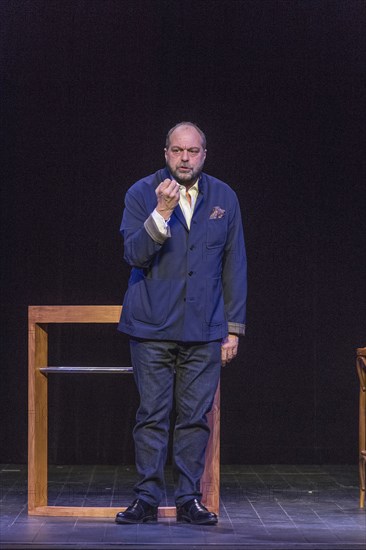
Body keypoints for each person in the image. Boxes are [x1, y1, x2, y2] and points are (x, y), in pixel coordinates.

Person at [115, 122, 247, 525]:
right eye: (177, 151)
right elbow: (134, 254)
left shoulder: (223, 197)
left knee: (194, 417)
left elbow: (234, 264)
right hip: (151, 326)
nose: (184, 158)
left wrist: (233, 327)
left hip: (203, 328)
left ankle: (189, 497)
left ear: (204, 155)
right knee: (153, 415)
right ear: (166, 153)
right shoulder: (141, 193)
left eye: (192, 151)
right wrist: (162, 213)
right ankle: (147, 498)